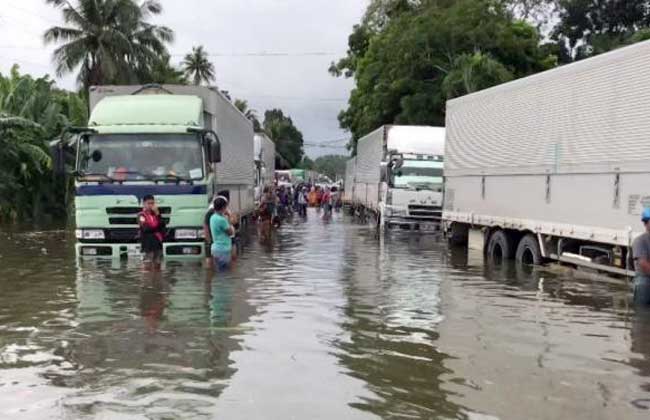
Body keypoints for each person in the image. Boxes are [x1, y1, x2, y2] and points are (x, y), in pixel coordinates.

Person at [138, 194, 165, 270]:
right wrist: (157, 227)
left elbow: (163, 225)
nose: (151, 205)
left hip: (157, 242)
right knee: (148, 265)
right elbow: (146, 229)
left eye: (152, 203)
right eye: (148, 203)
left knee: (158, 264)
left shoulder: (156, 214)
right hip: (148, 244)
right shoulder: (141, 215)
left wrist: (158, 214)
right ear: (144, 204)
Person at [210, 196, 235, 270]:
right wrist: (229, 216)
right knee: (224, 274)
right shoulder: (222, 220)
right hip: (223, 250)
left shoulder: (213, 217)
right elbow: (230, 232)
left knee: (219, 272)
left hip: (215, 249)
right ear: (223, 207)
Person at [632, 208, 650, 305]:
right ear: (646, 223)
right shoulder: (640, 241)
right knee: (642, 315)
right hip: (644, 282)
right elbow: (643, 264)